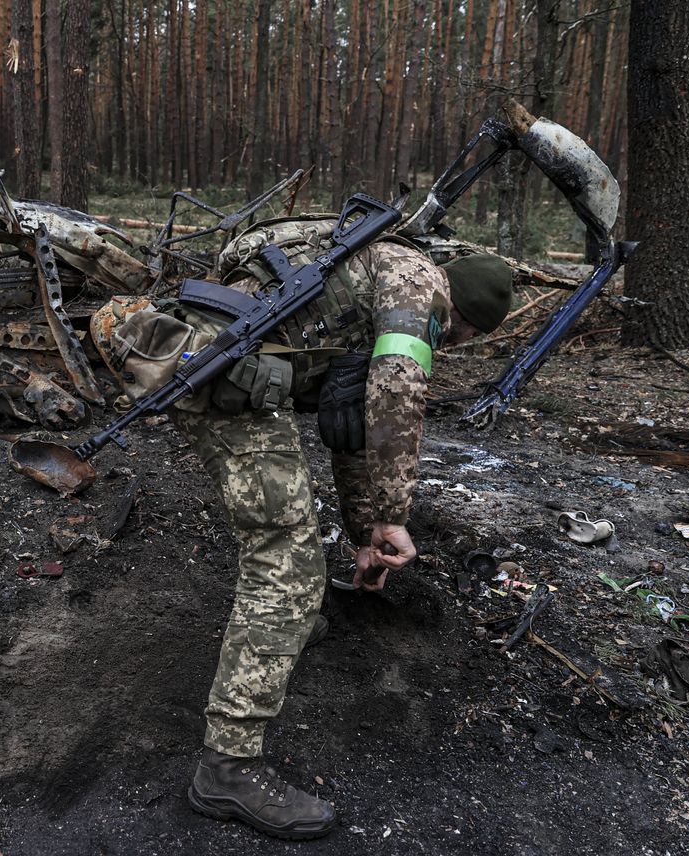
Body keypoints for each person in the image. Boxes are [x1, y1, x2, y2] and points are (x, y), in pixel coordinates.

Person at [91, 215, 513, 840]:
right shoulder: (419, 287)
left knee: (285, 534)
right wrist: (395, 520)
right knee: (285, 563)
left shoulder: (365, 267)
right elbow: (397, 397)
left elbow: (350, 431)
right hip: (221, 374)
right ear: (465, 316)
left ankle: (286, 630)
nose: (448, 343)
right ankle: (228, 768)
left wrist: (366, 531)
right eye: (460, 335)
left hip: (207, 353)